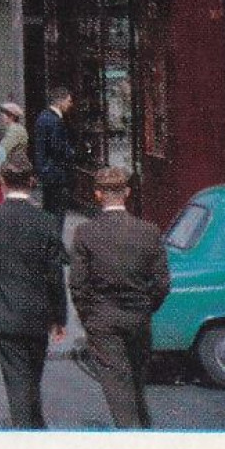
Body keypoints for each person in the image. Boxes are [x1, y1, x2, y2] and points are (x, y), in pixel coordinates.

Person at [0, 153, 68, 429]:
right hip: (38, 312)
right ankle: (35, 426)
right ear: (32, 182)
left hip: (3, 311)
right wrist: (60, 317)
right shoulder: (46, 221)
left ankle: (25, 432)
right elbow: (55, 274)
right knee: (32, 375)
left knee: (17, 378)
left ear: (2, 182)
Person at [69, 166, 171, 429]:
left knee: (117, 387)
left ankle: (133, 443)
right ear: (126, 193)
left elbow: (78, 285)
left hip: (102, 319)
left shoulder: (85, 233)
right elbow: (161, 283)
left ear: (98, 195)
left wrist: (88, 318)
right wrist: (147, 307)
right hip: (138, 317)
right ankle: (142, 433)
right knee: (136, 383)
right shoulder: (148, 231)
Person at [34, 86, 76, 234]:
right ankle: (54, 246)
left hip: (46, 172)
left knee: (49, 210)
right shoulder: (55, 120)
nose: (70, 104)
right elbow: (57, 147)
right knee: (57, 213)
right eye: (69, 101)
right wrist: (72, 153)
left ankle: (47, 243)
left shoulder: (42, 117)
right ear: (60, 101)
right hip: (56, 173)